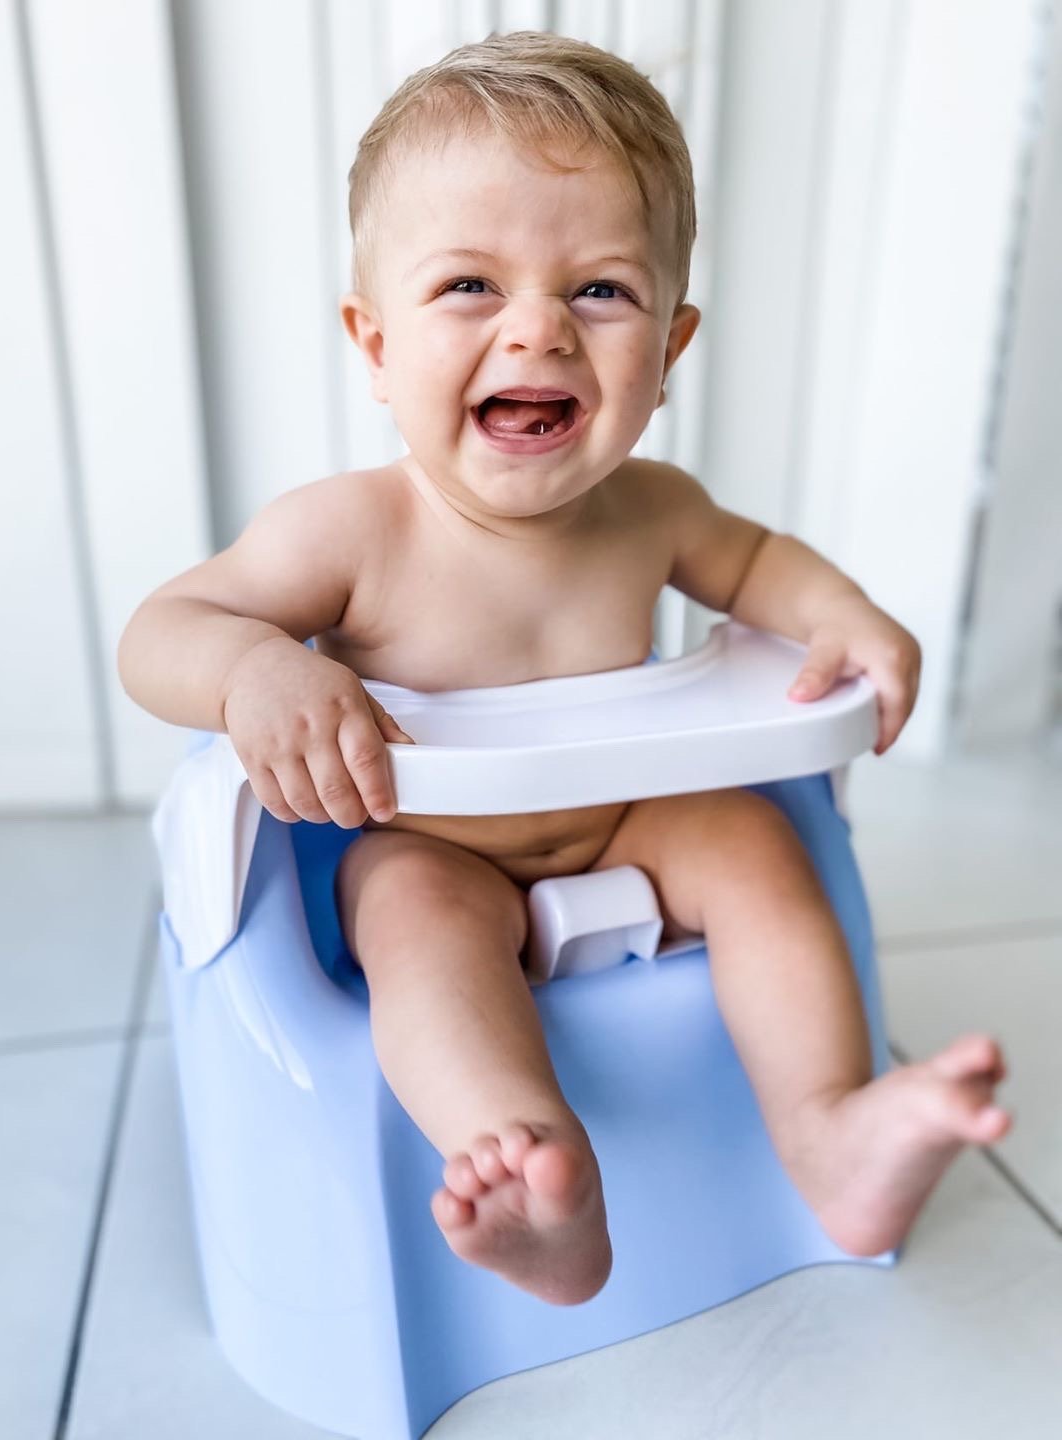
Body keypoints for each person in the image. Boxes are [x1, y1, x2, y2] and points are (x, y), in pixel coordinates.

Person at [118, 31, 1011, 1307]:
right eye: (470, 286)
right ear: (373, 343)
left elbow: (759, 565)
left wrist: (846, 613)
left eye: (599, 291)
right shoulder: (350, 531)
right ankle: (532, 1166)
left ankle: (830, 1133)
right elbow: (164, 629)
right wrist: (251, 668)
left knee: (760, 849)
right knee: (414, 920)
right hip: (426, 836)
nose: (537, 331)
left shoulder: (652, 507)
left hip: (625, 826)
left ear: (671, 345)